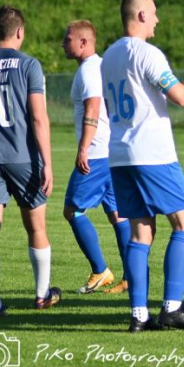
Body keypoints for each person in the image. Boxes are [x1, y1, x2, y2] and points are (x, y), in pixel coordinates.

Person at [101, 0, 184, 332]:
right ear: (141, 15)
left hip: (120, 154)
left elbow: (150, 93)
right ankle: (172, 308)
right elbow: (183, 99)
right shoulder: (148, 53)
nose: (157, 19)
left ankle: (139, 316)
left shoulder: (109, 56)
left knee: (141, 232)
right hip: (152, 154)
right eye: (154, 13)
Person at [0, 5, 60, 318]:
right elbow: (38, 117)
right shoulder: (29, 65)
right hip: (23, 157)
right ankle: (42, 295)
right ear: (20, 32)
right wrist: (47, 161)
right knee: (36, 228)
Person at [61, 20, 130, 295]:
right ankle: (131, 278)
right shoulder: (103, 66)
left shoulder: (89, 70)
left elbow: (93, 107)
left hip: (97, 153)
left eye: (67, 39)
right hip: (111, 151)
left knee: (72, 210)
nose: (63, 43)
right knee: (118, 215)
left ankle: (100, 270)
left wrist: (83, 148)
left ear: (83, 42)